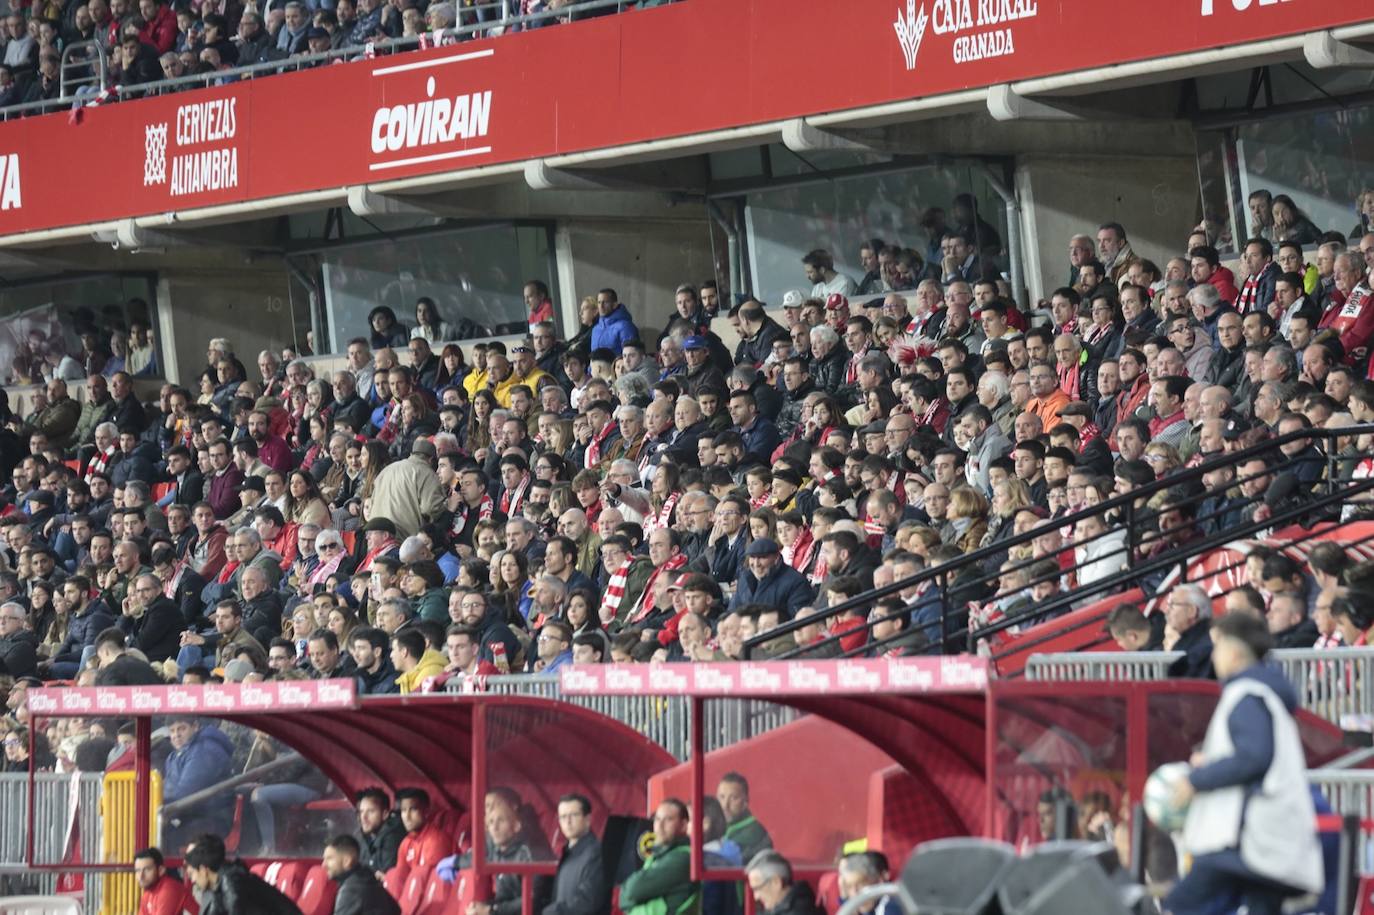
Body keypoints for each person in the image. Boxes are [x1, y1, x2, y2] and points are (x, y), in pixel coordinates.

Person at [1166, 612, 1324, 915]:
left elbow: (1253, 757)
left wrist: (1196, 780)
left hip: (1247, 836)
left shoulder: (1246, 695)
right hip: (1271, 836)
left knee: (1182, 905)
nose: (1213, 656)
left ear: (1235, 651)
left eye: (1217, 646)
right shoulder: (1265, 693)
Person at [183, 832, 302, 914]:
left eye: (193, 874)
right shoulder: (218, 885)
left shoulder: (233, 882)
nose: (192, 880)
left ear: (204, 870)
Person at [619, 799, 697, 915]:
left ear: (683, 825)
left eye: (668, 819)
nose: (659, 826)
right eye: (657, 819)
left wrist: (630, 902)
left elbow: (632, 890)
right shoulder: (660, 854)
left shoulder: (682, 858)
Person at [543, 793, 609, 915]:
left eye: (573, 815)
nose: (567, 821)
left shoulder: (597, 853)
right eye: (563, 817)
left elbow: (589, 899)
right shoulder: (568, 853)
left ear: (588, 819)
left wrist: (552, 912)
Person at [324, 833, 400, 915]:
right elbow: (396, 909)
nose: (323, 865)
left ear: (346, 861)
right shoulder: (368, 878)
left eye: (329, 859)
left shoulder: (351, 889)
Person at [716, 772, 773, 862]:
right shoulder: (717, 825)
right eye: (721, 797)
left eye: (733, 798)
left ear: (745, 802)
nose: (725, 805)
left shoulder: (753, 831)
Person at [746, 851, 822, 915]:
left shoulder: (799, 911)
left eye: (758, 888)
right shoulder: (781, 907)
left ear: (776, 882)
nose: (756, 897)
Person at [356, 786, 406, 878]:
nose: (363, 817)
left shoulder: (393, 836)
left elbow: (384, 876)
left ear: (385, 814)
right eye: (361, 812)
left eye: (370, 811)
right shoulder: (363, 835)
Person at [134, 845, 199, 915]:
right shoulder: (147, 894)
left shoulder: (170, 889)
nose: (141, 876)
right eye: (138, 870)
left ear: (161, 870)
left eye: (147, 869)